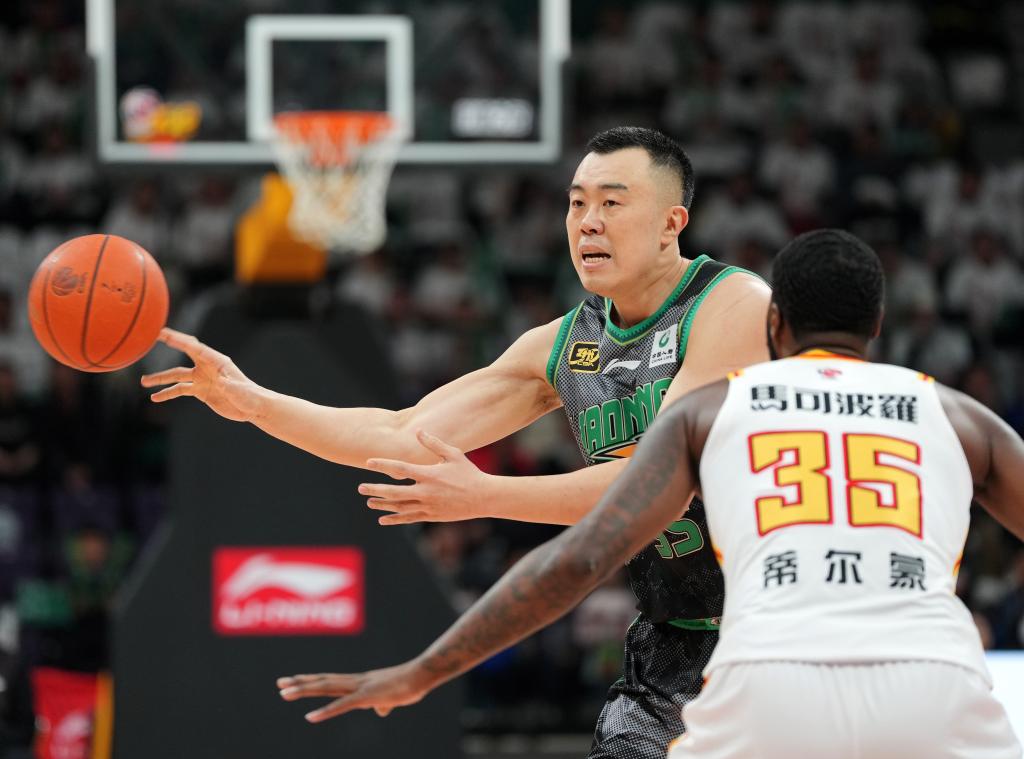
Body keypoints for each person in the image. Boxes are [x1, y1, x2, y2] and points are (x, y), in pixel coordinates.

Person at [142, 126, 771, 757]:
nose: (588, 222)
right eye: (577, 203)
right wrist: (254, 402)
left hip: (774, 623)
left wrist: (485, 494)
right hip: (672, 642)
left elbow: (659, 485)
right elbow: (402, 434)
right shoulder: (563, 345)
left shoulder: (731, 306)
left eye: (612, 202)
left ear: (671, 223)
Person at [276, 229, 1023, 759]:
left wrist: (423, 672)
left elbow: (576, 560)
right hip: (935, 684)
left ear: (774, 324)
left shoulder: (713, 411)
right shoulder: (960, 416)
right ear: (880, 325)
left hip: (770, 682)